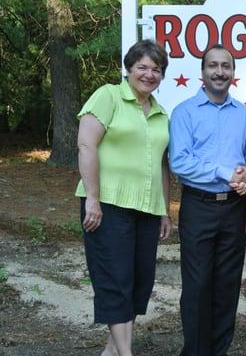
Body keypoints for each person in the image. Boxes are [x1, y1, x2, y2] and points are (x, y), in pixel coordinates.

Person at [76, 39, 171, 356]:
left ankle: (112, 352)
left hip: (146, 208)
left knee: (138, 282)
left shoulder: (160, 112)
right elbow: (86, 145)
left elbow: (162, 165)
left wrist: (164, 211)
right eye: (142, 67)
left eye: (156, 69)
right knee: (115, 280)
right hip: (108, 205)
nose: (149, 74)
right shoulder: (108, 96)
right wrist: (92, 197)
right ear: (128, 69)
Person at [168, 44, 246, 356]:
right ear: (202, 73)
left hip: (234, 208)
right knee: (197, 285)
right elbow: (179, 162)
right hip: (198, 207)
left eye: (226, 66)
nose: (220, 72)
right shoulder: (184, 113)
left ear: (233, 73)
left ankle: (219, 351)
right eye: (213, 66)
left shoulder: (243, 114)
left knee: (227, 286)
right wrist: (223, 172)